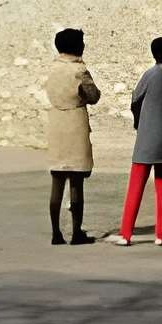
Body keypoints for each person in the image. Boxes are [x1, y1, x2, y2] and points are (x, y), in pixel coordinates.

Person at [108, 37, 162, 246]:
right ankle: (161, 235)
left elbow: (135, 99)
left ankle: (126, 234)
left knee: (136, 184)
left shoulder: (151, 75)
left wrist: (138, 122)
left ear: (153, 53)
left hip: (148, 136)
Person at [45, 26, 100, 245]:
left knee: (57, 181)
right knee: (76, 182)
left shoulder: (52, 69)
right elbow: (93, 96)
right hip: (75, 123)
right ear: (77, 46)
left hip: (56, 123)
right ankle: (76, 232)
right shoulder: (79, 71)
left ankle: (56, 233)